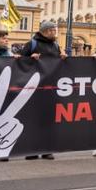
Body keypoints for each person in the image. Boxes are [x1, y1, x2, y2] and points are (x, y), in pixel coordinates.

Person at [21, 20, 66, 160]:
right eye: (53, 30)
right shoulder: (32, 44)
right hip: (34, 89)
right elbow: (20, 63)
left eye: (55, 30)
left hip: (51, 88)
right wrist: (29, 58)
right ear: (45, 31)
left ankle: (46, 149)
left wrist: (62, 58)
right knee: (33, 120)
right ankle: (31, 150)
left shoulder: (56, 45)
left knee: (48, 120)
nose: (55, 33)